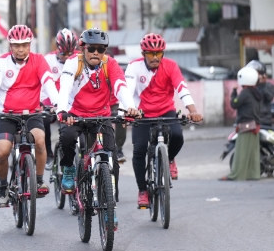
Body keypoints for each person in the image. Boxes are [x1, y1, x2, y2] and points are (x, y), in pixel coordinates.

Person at [56, 28, 140, 228]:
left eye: (100, 49)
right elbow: (65, 86)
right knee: (66, 138)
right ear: (83, 48)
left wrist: (130, 107)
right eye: (91, 48)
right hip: (75, 115)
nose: (96, 53)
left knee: (112, 160)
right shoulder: (72, 63)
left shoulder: (109, 63)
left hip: (100, 117)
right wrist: (62, 110)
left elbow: (120, 85)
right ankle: (68, 169)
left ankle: (111, 207)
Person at [0, 24, 59, 207]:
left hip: (32, 113)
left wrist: (57, 105)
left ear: (30, 44)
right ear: (10, 45)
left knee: (39, 140)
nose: (20, 49)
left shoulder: (39, 61)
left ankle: (38, 180)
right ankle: (3, 186)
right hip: (6, 115)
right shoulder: (1, 62)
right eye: (16, 45)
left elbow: (48, 82)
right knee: (1, 151)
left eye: (24, 44)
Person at [124, 33, 203, 207]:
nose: (154, 57)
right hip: (142, 113)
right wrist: (129, 110)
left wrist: (193, 110)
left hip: (165, 111)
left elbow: (181, 87)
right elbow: (127, 90)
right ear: (143, 53)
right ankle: (143, 190)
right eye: (150, 53)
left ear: (163, 54)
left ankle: (170, 159)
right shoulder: (134, 67)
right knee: (139, 151)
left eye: (158, 53)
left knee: (177, 136)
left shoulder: (171, 66)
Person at [42, 28, 79, 168]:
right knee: (43, 119)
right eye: (64, 53)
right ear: (57, 48)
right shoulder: (47, 60)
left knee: (70, 127)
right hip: (49, 101)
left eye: (71, 53)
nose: (68, 57)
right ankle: (49, 154)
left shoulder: (79, 59)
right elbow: (43, 83)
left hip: (69, 102)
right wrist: (43, 103)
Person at [220, 66, 262, 181]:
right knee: (253, 152)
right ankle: (253, 174)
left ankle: (237, 174)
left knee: (241, 152)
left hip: (246, 125)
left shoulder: (245, 92)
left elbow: (234, 103)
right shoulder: (256, 92)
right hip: (255, 125)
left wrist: (233, 91)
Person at [246, 60, 274, 127]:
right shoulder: (250, 86)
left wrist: (263, 85)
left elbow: (269, 98)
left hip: (265, 119)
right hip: (252, 119)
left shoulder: (268, 86)